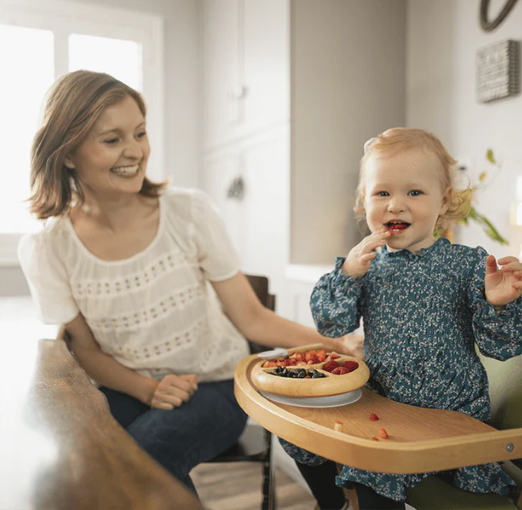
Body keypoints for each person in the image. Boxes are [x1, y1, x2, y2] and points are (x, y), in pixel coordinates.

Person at [17, 70, 363, 496]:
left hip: (215, 384)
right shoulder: (48, 247)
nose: (135, 151)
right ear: (67, 154)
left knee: (142, 460)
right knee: (84, 470)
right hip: (127, 388)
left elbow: (251, 318)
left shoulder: (188, 212)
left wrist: (333, 345)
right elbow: (86, 351)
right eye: (112, 140)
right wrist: (148, 388)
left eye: (140, 133)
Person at [280, 127, 522, 510]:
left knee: (373, 475)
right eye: (382, 192)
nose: (395, 205)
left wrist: (498, 303)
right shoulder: (366, 268)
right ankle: (336, 503)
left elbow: (504, 346)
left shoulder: (466, 265)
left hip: (451, 415)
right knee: (297, 435)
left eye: (414, 192)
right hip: (384, 406)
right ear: (364, 201)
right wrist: (347, 275)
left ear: (444, 200)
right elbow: (331, 324)